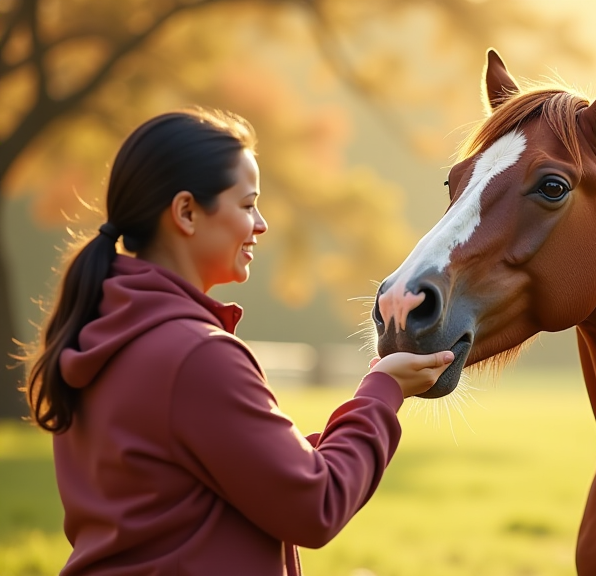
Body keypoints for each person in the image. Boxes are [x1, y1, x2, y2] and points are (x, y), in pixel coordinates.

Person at [23, 108, 454, 575]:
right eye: (247, 204)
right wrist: (383, 392)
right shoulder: (195, 356)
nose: (261, 223)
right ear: (186, 212)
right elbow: (315, 505)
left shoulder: (100, 335)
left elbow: (241, 472)